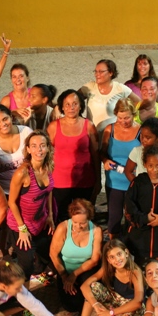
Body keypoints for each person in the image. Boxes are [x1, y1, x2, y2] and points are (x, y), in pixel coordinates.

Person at [70, 239, 145, 316]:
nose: (117, 260)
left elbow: (138, 302)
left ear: (126, 253)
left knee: (131, 307)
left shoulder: (135, 271)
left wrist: (110, 313)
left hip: (133, 308)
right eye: (112, 257)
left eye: (119, 254)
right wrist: (95, 305)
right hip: (116, 300)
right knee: (93, 287)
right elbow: (85, 286)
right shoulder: (109, 268)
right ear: (108, 260)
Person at [7, 131, 56, 281]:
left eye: (42, 145)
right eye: (34, 146)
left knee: (51, 254)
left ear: (48, 148)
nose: (38, 150)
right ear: (28, 149)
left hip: (41, 221)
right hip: (21, 225)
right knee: (26, 266)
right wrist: (22, 229)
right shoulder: (23, 173)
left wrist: (50, 216)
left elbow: (49, 191)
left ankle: (40, 271)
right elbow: (11, 202)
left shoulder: (48, 167)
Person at [47, 90, 100, 223]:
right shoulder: (53, 127)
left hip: (84, 181)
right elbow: (47, 155)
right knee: (61, 219)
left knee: (83, 218)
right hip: (59, 182)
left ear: (81, 106)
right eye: (67, 104)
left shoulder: (89, 126)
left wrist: (98, 180)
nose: (71, 107)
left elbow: (96, 155)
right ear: (62, 107)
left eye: (75, 104)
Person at [50, 198, 103, 314]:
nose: (78, 226)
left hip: (86, 269)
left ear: (89, 218)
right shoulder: (63, 228)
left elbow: (94, 260)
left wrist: (74, 275)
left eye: (83, 223)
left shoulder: (96, 230)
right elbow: (53, 254)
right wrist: (64, 276)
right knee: (70, 306)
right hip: (65, 270)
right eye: (75, 222)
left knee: (87, 298)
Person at [100, 99, 140, 237]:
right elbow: (102, 152)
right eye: (120, 118)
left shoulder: (141, 131)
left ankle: (131, 245)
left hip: (133, 181)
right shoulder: (109, 129)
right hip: (114, 181)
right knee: (114, 218)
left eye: (127, 118)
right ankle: (113, 245)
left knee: (132, 218)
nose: (123, 121)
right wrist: (105, 160)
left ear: (133, 114)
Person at [0, 104, 33, 195]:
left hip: (29, 188)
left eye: (5, 119)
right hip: (4, 192)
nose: (3, 124)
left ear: (11, 117)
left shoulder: (26, 132)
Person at [122, 117, 158, 196]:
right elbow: (128, 171)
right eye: (141, 136)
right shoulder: (137, 152)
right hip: (143, 195)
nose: (143, 140)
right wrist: (139, 185)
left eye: (147, 137)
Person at [80, 59, 140, 133]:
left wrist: (129, 118)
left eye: (101, 71)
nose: (96, 74)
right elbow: (74, 99)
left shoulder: (120, 88)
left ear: (111, 72)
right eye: (95, 71)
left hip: (112, 134)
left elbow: (138, 102)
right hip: (91, 133)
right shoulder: (89, 87)